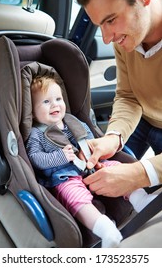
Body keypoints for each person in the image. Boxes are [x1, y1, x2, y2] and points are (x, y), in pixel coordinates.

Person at [25, 73, 157, 248]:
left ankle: (141, 199)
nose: (55, 104)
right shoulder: (36, 134)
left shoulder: (72, 121)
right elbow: (35, 159)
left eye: (58, 98)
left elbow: (89, 138)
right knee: (73, 196)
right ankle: (105, 228)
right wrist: (61, 157)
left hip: (91, 165)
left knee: (117, 167)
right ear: (33, 112)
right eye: (46, 102)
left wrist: (93, 155)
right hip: (64, 176)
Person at [74, 0, 162, 199]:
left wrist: (138, 174)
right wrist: (113, 137)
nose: (106, 38)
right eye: (100, 26)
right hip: (142, 120)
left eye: (111, 20)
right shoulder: (127, 37)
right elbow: (128, 95)